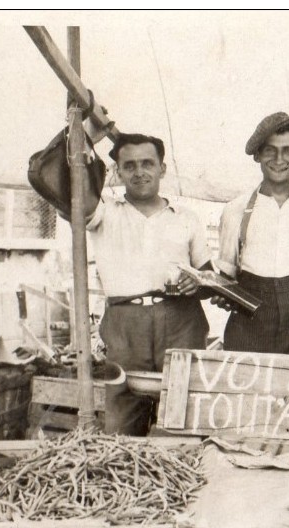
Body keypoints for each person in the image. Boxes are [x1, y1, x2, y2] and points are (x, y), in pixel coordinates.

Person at [86, 133, 211, 436]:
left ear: (162, 169)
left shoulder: (186, 217)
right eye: (129, 166)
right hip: (125, 326)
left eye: (147, 164)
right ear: (117, 172)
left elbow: (208, 277)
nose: (139, 172)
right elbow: (73, 188)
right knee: (121, 425)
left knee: (183, 417)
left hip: (181, 320)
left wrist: (197, 282)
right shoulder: (104, 213)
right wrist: (86, 133)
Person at [213, 112, 289, 356]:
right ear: (257, 155)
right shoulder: (235, 209)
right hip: (251, 324)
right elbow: (226, 274)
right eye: (269, 150)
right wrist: (222, 293)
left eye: (288, 150)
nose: (279, 159)